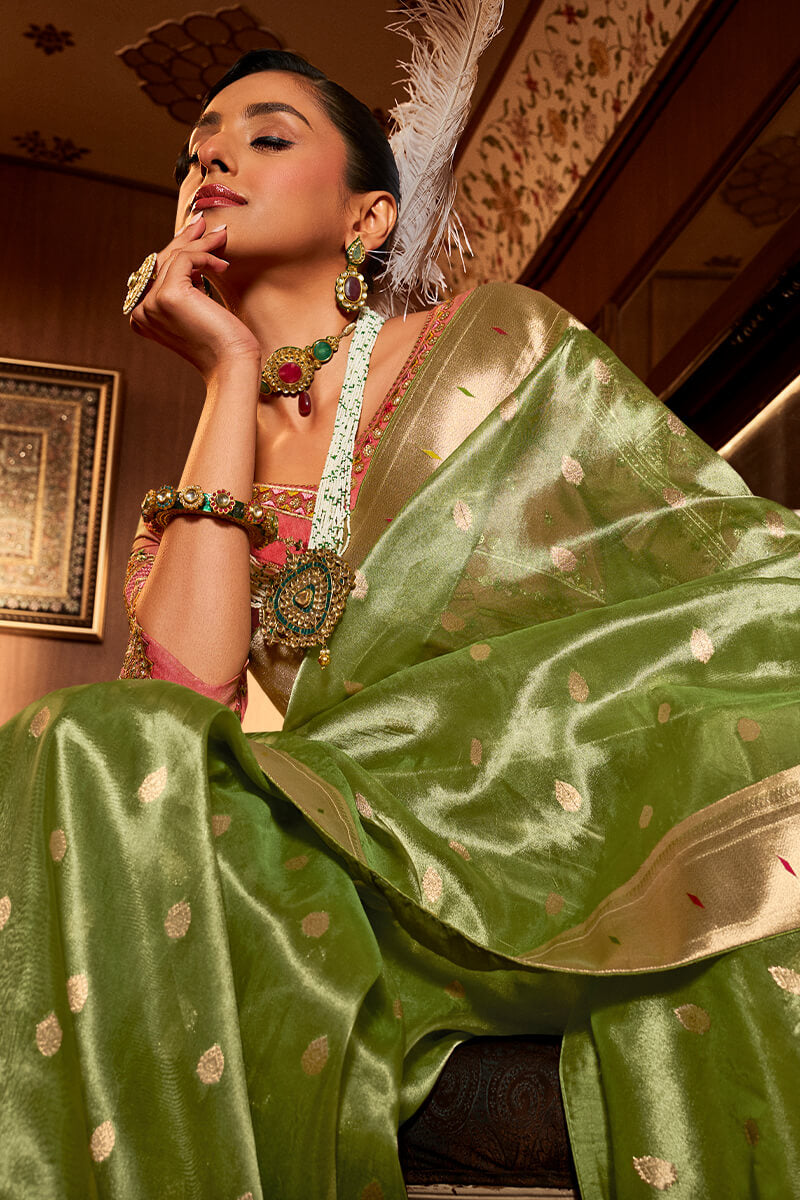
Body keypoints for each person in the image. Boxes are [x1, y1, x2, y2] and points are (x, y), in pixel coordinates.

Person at [2, 46, 800, 1200]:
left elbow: (708, 557)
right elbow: (168, 732)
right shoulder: (198, 480)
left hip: (540, 812)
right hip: (350, 851)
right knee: (73, 739)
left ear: (367, 218)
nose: (211, 161)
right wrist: (228, 374)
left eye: (265, 137)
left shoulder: (494, 348)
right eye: (193, 153)